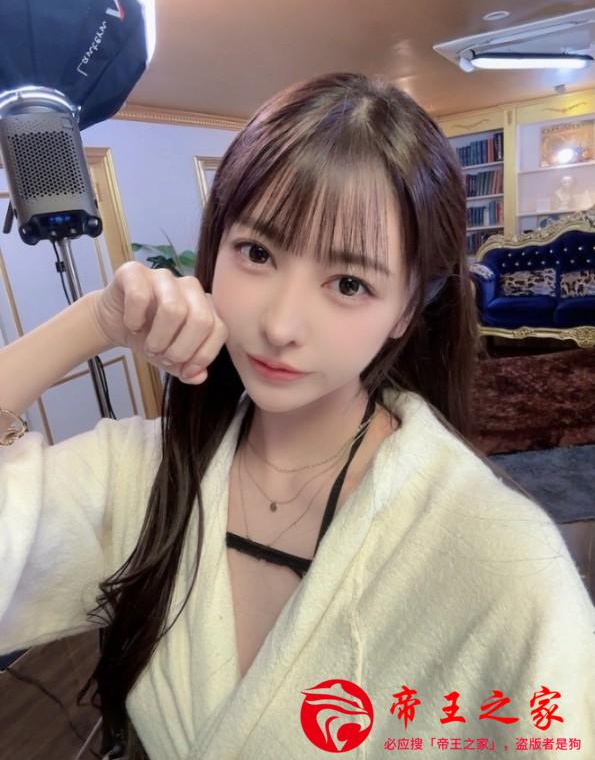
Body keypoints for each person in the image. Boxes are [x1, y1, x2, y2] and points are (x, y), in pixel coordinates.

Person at [0, 72, 593, 760]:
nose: (280, 325)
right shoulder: (143, 475)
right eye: (257, 252)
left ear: (407, 309)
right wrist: (93, 322)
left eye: (348, 283)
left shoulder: (497, 553)